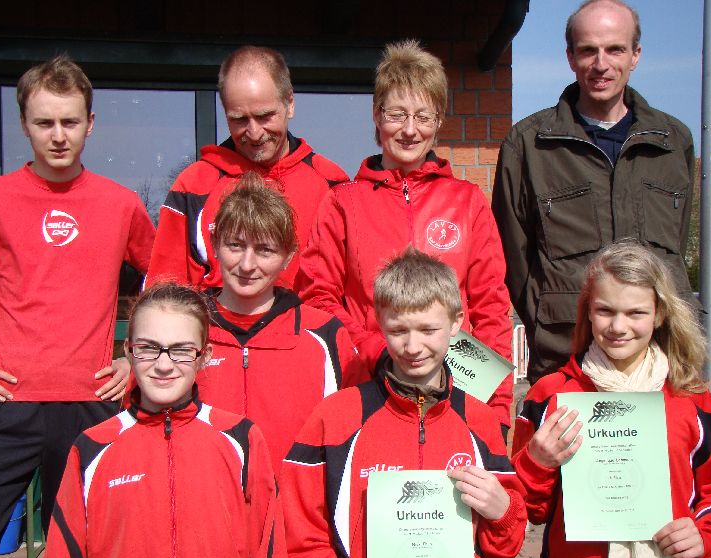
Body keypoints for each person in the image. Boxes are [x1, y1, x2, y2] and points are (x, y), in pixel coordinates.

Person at [0, 56, 154, 558]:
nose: (58, 136)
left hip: (90, 402)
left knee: (91, 557)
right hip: (6, 400)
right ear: (23, 124)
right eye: (44, 123)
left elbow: (166, 281)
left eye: (70, 122)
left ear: (90, 123)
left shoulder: (121, 205)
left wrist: (137, 359)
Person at [510, 240, 711, 558]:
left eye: (635, 313)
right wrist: (537, 462)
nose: (618, 326)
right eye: (605, 310)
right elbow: (528, 507)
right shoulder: (550, 397)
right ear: (587, 311)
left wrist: (706, 531)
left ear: (659, 314)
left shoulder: (691, 399)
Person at [282, 248, 527, 558]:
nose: (413, 347)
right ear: (379, 322)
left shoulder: (480, 421)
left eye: (428, 329)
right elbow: (301, 537)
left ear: (456, 323)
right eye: (398, 330)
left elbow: (502, 550)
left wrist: (503, 512)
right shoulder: (335, 418)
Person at [297, 39, 514, 430]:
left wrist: (496, 405)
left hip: (455, 392)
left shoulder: (467, 201)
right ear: (376, 115)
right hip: (370, 386)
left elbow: (491, 307)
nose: (410, 130)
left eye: (424, 116)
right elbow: (318, 297)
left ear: (439, 121)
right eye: (397, 114)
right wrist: (378, 349)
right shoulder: (343, 202)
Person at [40, 282, 289, 558]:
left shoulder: (241, 439)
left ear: (204, 356)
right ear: (128, 351)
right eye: (148, 347)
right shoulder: (92, 447)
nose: (163, 364)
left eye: (182, 350)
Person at [492, 0, 696, 383]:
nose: (601, 64)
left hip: (661, 362)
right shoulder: (529, 145)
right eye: (588, 50)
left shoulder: (672, 142)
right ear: (570, 57)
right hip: (566, 359)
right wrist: (548, 320)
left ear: (635, 55)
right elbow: (513, 261)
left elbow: (675, 248)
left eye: (615, 49)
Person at [197, 172, 367, 472]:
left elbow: (358, 434)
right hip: (207, 498)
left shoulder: (325, 335)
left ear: (288, 257)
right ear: (214, 245)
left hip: (297, 501)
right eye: (235, 245)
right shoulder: (183, 330)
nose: (247, 264)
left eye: (265, 250)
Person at [147, 45, 348, 291]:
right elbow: (164, 292)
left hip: (306, 317)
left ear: (290, 104)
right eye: (239, 119)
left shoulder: (331, 182)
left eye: (265, 116)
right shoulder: (194, 185)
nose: (254, 133)